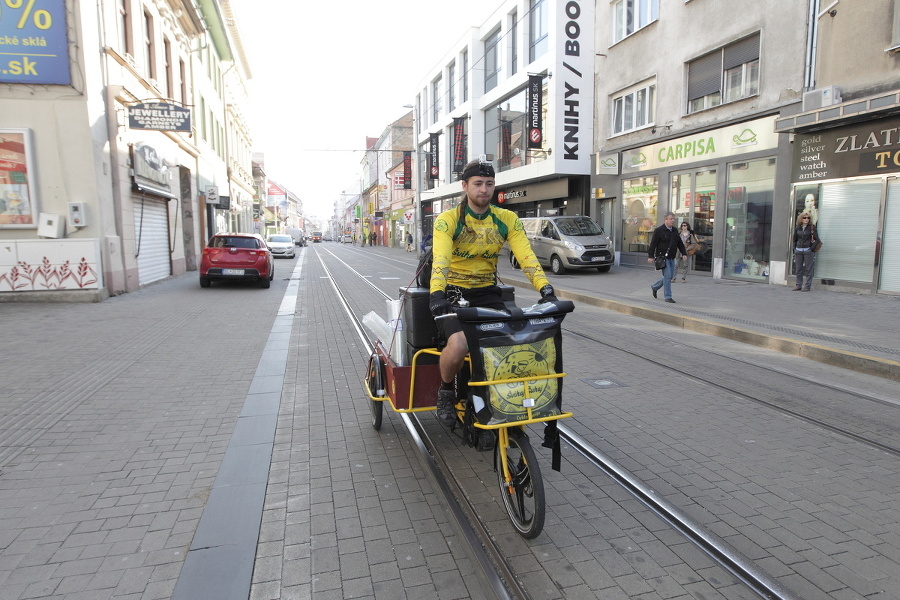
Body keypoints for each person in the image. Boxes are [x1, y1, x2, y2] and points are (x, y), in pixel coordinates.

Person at [429, 159, 557, 424]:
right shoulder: (449, 220)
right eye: (477, 184)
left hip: (486, 291)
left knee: (510, 340)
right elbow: (441, 259)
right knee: (461, 342)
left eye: (489, 184)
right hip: (453, 293)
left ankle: (500, 393)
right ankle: (445, 391)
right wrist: (436, 294)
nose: (484, 189)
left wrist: (545, 289)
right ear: (465, 186)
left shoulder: (506, 218)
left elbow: (526, 257)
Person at [647, 212, 687, 303]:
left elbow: (679, 243)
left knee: (669, 276)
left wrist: (684, 253)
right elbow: (653, 244)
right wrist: (650, 256)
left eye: (673, 219)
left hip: (672, 257)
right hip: (662, 258)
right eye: (671, 219)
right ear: (666, 219)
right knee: (668, 276)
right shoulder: (659, 230)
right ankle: (668, 296)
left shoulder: (675, 231)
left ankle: (655, 286)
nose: (673, 220)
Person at [792, 212, 820, 291]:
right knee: (798, 269)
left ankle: (807, 286)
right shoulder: (797, 227)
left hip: (808, 250)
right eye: (804, 217)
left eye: (808, 218)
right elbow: (794, 239)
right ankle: (798, 285)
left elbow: (817, 239)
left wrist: (811, 249)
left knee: (808, 269)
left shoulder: (812, 227)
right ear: (801, 218)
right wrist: (795, 249)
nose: (806, 219)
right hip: (798, 250)